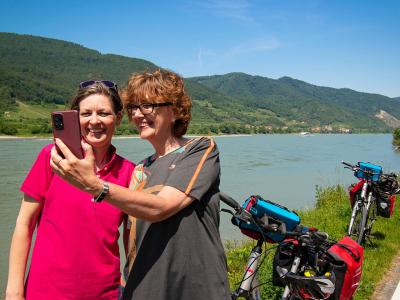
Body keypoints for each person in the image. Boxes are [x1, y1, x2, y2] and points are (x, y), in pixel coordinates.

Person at [50, 69, 231, 300]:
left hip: (196, 289)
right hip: (145, 290)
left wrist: (96, 185)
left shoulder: (199, 149)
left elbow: (161, 207)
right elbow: (131, 239)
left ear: (174, 111)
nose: (138, 114)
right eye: (134, 107)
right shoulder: (138, 171)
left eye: (148, 105)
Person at [6, 81, 135, 300]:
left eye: (103, 113)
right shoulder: (52, 158)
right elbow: (24, 224)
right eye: (86, 113)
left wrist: (130, 283)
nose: (94, 121)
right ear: (76, 119)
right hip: (46, 292)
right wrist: (14, 291)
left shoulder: (129, 171)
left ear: (118, 118)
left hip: (105, 293)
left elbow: (131, 240)